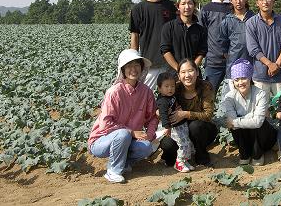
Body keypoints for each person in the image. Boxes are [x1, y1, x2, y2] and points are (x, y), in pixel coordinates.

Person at [88, 49, 158, 183]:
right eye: (129, 66)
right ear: (123, 69)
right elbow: (105, 124)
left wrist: (149, 134)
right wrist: (131, 132)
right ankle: (113, 171)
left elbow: (153, 117)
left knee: (147, 147)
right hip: (101, 140)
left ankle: (124, 163)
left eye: (137, 65)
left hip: (127, 140)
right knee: (123, 134)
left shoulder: (146, 92)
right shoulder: (114, 92)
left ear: (142, 67)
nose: (134, 69)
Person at [158, 59, 218, 167]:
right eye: (183, 72)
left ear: (197, 72)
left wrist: (185, 114)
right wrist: (160, 112)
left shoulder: (205, 87)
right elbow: (159, 105)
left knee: (195, 126)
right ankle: (179, 157)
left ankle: (201, 156)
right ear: (179, 75)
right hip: (180, 130)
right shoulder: (173, 88)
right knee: (167, 144)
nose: (187, 75)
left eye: (190, 71)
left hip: (202, 129)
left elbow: (208, 115)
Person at [222, 59, 277, 166]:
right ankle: (245, 154)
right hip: (244, 135)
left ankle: (258, 154)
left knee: (258, 124)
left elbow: (258, 122)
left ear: (250, 78)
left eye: (244, 78)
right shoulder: (229, 97)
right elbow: (232, 122)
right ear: (233, 81)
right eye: (237, 80)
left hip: (264, 136)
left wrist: (236, 121)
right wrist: (251, 117)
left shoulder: (260, 93)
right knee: (236, 127)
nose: (240, 82)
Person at [130, 0, 177, 90]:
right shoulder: (138, 9)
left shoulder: (172, 7)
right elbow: (135, 35)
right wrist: (133, 59)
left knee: (172, 95)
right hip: (150, 62)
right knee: (144, 95)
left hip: (170, 61)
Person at [246, 0, 281, 99]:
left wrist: (277, 64)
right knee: (262, 110)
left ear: (273, 1)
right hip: (260, 75)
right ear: (257, 3)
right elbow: (253, 49)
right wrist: (269, 64)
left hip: (280, 74)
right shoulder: (251, 23)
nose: (265, 2)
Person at [219, 0, 254, 100]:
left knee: (252, 93)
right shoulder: (227, 20)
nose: (238, 1)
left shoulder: (254, 18)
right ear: (231, 0)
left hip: (253, 61)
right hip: (234, 62)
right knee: (234, 94)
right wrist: (229, 56)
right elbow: (223, 42)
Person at [155, 72, 195, 173]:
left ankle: (184, 161)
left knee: (187, 142)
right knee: (182, 143)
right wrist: (167, 127)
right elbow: (163, 115)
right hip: (173, 127)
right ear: (159, 88)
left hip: (180, 125)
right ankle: (179, 162)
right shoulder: (163, 101)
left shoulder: (171, 97)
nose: (170, 89)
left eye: (172, 86)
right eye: (166, 86)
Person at [200, 0, 233, 92]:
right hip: (213, 61)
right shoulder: (206, 9)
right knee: (208, 95)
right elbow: (202, 33)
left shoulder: (234, 7)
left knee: (236, 96)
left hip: (234, 59)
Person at [160, 0, 207, 72]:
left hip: (194, 73)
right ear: (178, 7)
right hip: (174, 73)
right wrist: (179, 70)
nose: (187, 7)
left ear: (194, 6)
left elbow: (202, 52)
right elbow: (165, 50)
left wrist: (191, 70)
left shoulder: (200, 30)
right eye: (183, 4)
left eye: (190, 3)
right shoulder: (169, 27)